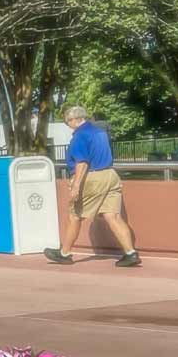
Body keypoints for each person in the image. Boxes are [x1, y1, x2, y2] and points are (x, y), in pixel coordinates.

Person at [45, 106, 140, 267]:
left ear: (75, 120)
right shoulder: (100, 132)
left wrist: (76, 186)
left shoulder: (80, 136)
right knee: (113, 216)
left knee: (75, 215)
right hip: (110, 175)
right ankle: (130, 253)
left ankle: (65, 253)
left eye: (67, 121)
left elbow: (82, 162)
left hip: (93, 178)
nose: (68, 125)